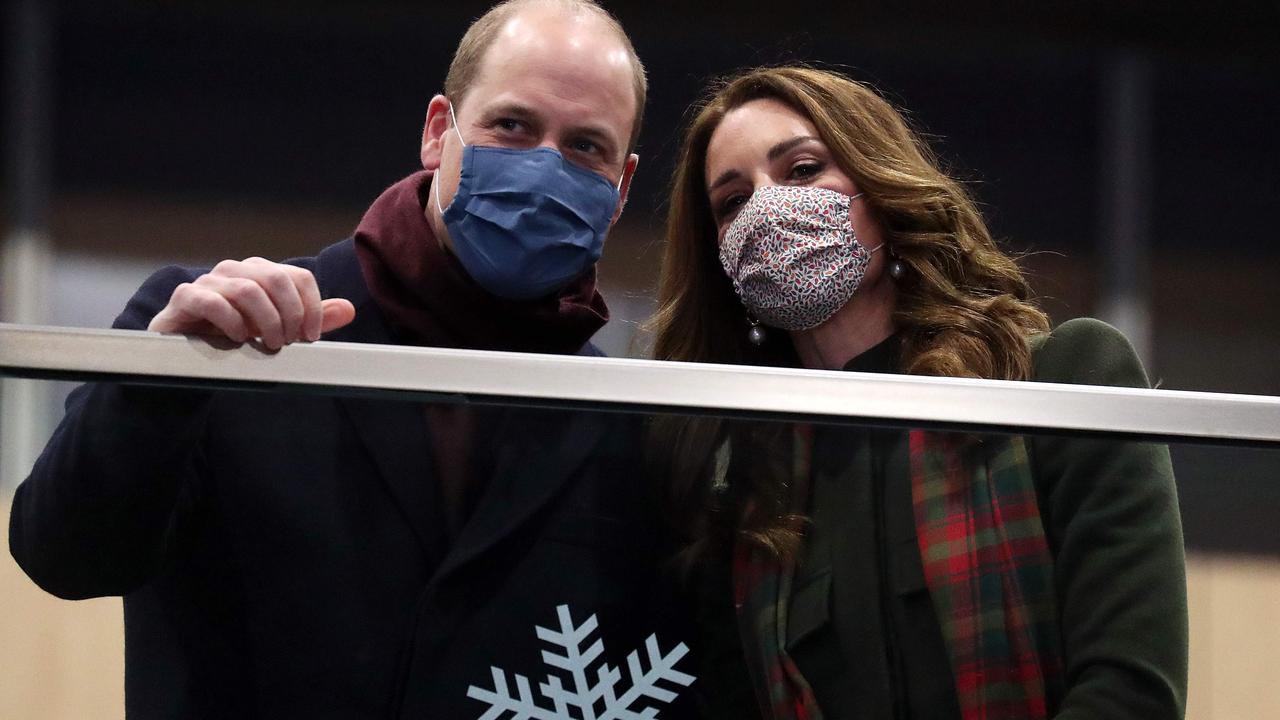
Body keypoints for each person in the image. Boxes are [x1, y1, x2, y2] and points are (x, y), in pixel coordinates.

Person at [9, 2, 698, 718]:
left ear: (620, 190)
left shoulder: (626, 420)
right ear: (439, 132)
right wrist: (155, 387)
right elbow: (65, 556)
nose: (544, 167)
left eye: (586, 146)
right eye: (513, 126)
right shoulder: (220, 334)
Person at [648, 66, 1187, 720]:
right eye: (733, 202)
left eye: (801, 171)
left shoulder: (1061, 380)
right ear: (722, 259)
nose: (766, 209)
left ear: (880, 187)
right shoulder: (749, 505)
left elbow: (1131, 692)